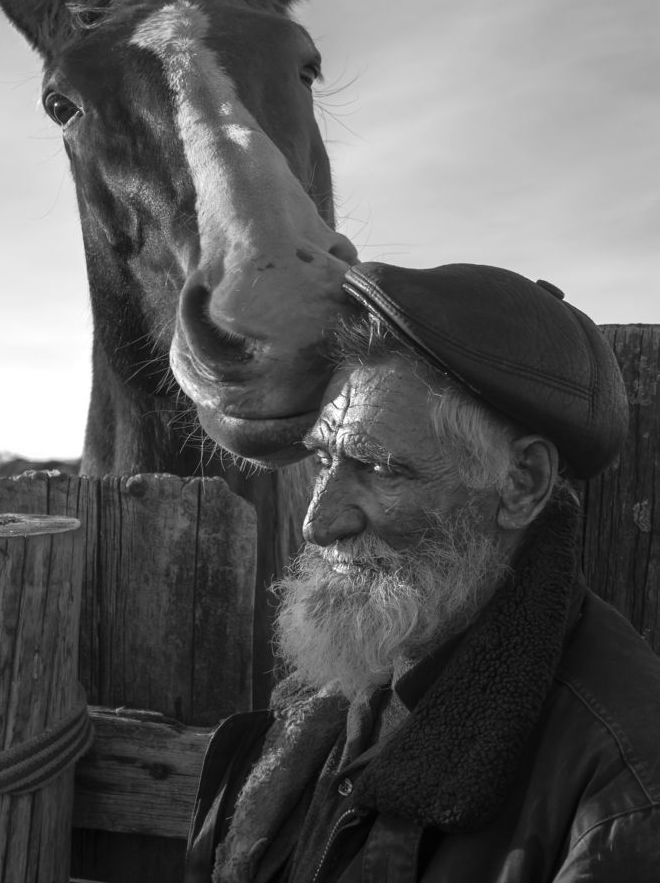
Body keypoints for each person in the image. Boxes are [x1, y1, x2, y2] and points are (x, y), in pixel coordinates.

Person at [184, 262, 660, 883]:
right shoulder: (354, 674)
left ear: (522, 484)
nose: (316, 523)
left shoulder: (623, 785)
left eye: (380, 468)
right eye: (324, 456)